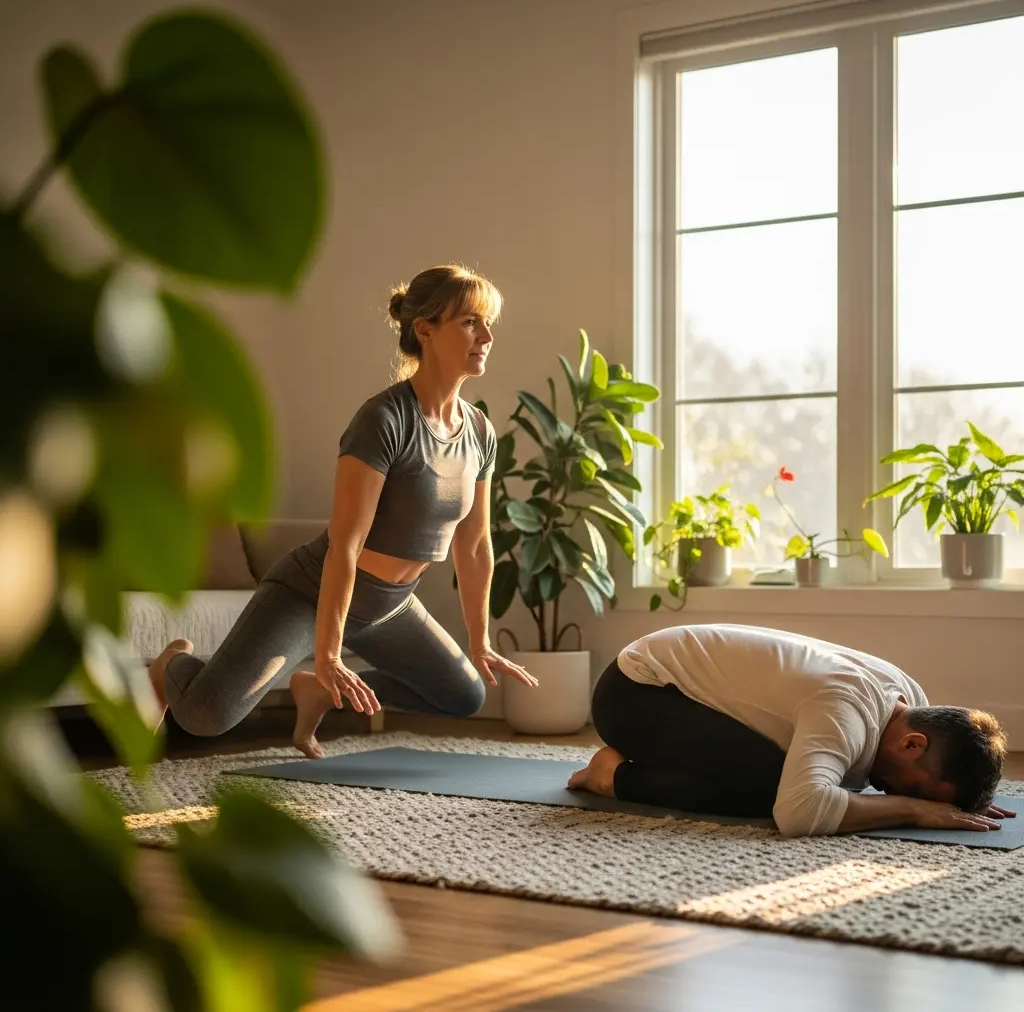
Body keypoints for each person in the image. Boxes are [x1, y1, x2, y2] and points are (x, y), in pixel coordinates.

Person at [148, 263, 538, 758]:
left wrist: (479, 640)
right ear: (425, 331)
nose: (486, 335)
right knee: (205, 718)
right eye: (470, 322)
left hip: (391, 605)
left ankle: (315, 689)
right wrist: (330, 652)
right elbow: (346, 544)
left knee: (464, 694)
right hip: (309, 593)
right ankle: (170, 666)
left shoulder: (479, 432)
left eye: (488, 324)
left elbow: (476, 543)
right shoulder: (384, 419)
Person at [568, 623, 1013, 837]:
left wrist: (964, 796)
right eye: (918, 789)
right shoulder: (847, 709)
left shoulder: (907, 698)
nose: (907, 796)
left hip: (669, 680)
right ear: (913, 743)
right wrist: (915, 811)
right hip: (636, 693)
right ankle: (609, 775)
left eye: (919, 797)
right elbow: (798, 814)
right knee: (773, 789)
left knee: (791, 779)